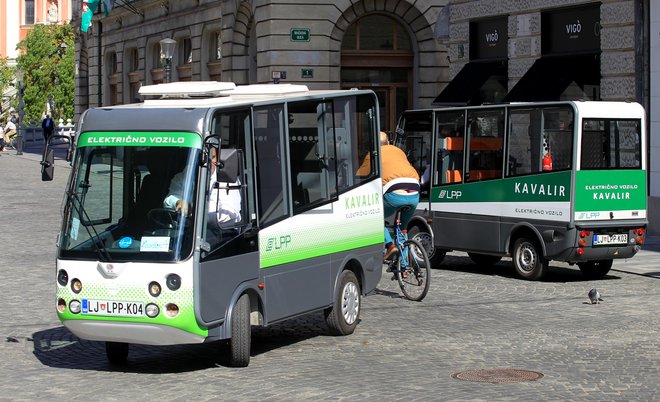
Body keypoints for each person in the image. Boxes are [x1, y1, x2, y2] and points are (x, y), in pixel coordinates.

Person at [164, 146, 241, 240]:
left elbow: (229, 214)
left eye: (212, 157)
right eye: (203, 158)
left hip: (222, 235)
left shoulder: (226, 178)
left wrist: (193, 216)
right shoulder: (183, 176)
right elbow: (169, 199)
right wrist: (178, 202)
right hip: (186, 233)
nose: (209, 163)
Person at [379, 131, 420, 260]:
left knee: (375, 219)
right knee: (403, 227)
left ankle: (390, 245)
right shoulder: (399, 151)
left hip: (394, 191)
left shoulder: (374, 154)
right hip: (414, 190)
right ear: (389, 142)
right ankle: (404, 266)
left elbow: (360, 175)